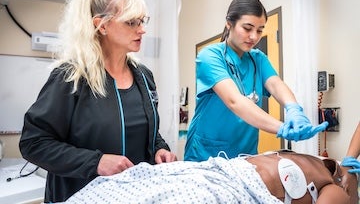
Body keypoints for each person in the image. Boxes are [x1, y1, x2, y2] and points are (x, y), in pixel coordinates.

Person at [19, 0, 177, 203]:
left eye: (142, 20)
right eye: (131, 22)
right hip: (81, 196)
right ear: (101, 25)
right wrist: (96, 161)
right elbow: (34, 143)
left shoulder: (144, 76)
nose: (142, 29)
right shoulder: (70, 77)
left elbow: (147, 132)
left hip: (135, 195)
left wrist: (159, 149)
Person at [184, 0, 328, 161]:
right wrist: (281, 128)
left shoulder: (258, 58)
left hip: (245, 153)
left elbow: (275, 84)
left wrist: (294, 109)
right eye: (247, 28)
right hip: (206, 152)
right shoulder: (210, 56)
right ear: (229, 24)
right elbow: (234, 101)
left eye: (260, 30)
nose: (254, 36)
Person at [63, 150, 358, 204]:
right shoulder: (312, 159)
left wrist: (348, 190)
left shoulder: (332, 188)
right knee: (144, 179)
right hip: (216, 170)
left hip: (234, 191)